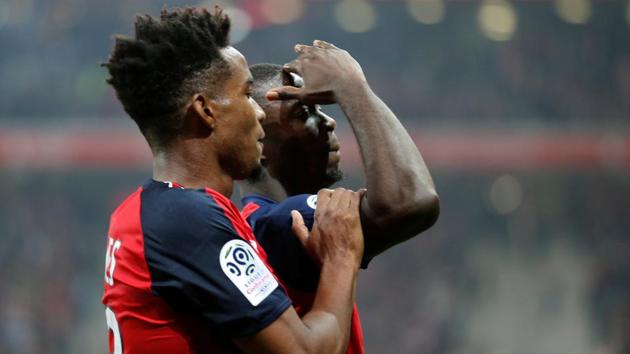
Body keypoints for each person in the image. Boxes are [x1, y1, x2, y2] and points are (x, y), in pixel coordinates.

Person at [102, 8, 366, 354]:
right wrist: (342, 258)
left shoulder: (140, 211)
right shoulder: (188, 219)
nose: (258, 111)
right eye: (245, 94)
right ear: (205, 110)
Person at [238, 41, 440, 354]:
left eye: (321, 108)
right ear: (259, 141)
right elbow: (411, 201)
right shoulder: (280, 222)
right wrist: (353, 88)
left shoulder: (260, 221)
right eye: (304, 112)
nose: (330, 121)